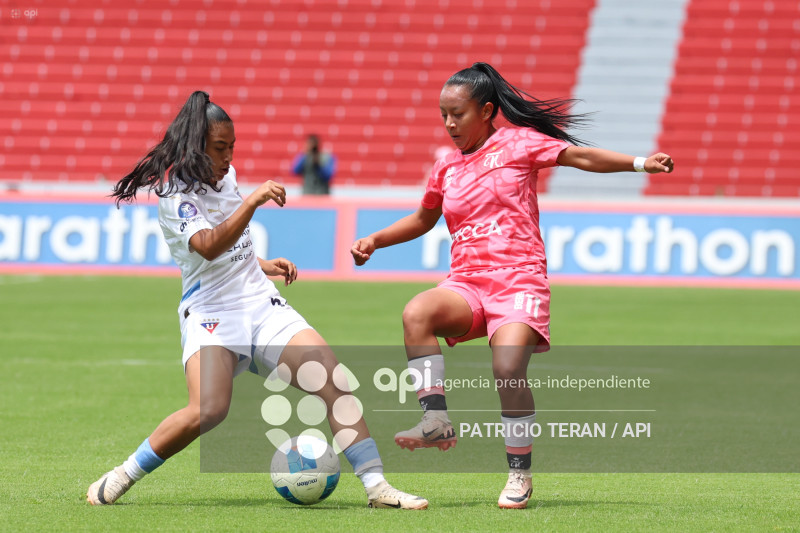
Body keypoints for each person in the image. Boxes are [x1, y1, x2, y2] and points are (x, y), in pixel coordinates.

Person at [350, 63, 674, 509]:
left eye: (457, 114)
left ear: (486, 111)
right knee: (417, 313)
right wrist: (376, 240)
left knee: (506, 369)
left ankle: (519, 474)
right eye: (443, 114)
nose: (448, 124)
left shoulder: (519, 143)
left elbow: (579, 157)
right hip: (467, 283)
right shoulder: (446, 167)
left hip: (519, 280)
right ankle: (435, 420)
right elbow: (424, 219)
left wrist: (640, 163)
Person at [87, 91, 427, 510]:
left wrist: (262, 264)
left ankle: (377, 489)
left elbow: (231, 246)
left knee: (333, 380)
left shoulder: (224, 178)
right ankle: (125, 473)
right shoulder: (176, 197)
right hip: (212, 312)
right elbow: (208, 247)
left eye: (232, 147)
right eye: (220, 148)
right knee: (208, 410)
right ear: (196, 147)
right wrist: (252, 200)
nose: (229, 157)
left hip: (259, 303)